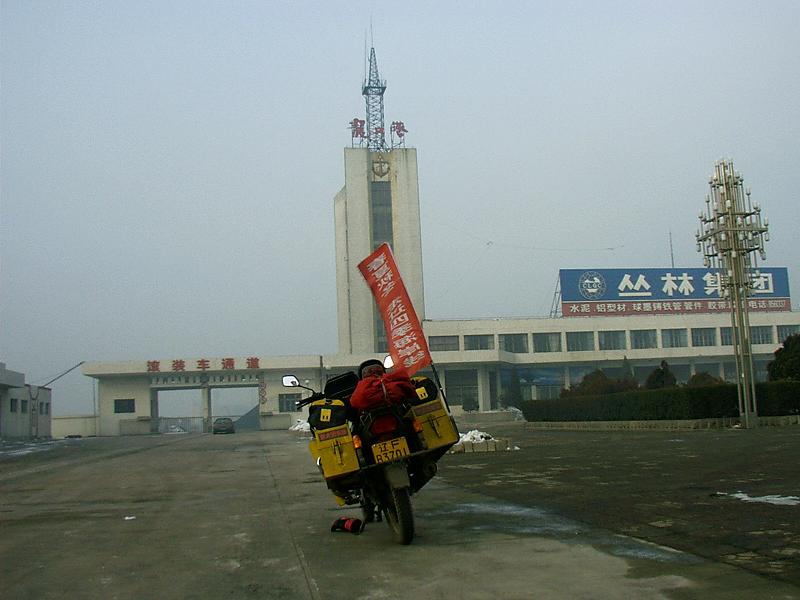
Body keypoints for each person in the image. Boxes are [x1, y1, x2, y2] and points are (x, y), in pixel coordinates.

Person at [349, 359, 416, 411]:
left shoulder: (360, 388)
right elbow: (411, 391)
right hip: (399, 418)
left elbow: (354, 403)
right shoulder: (392, 378)